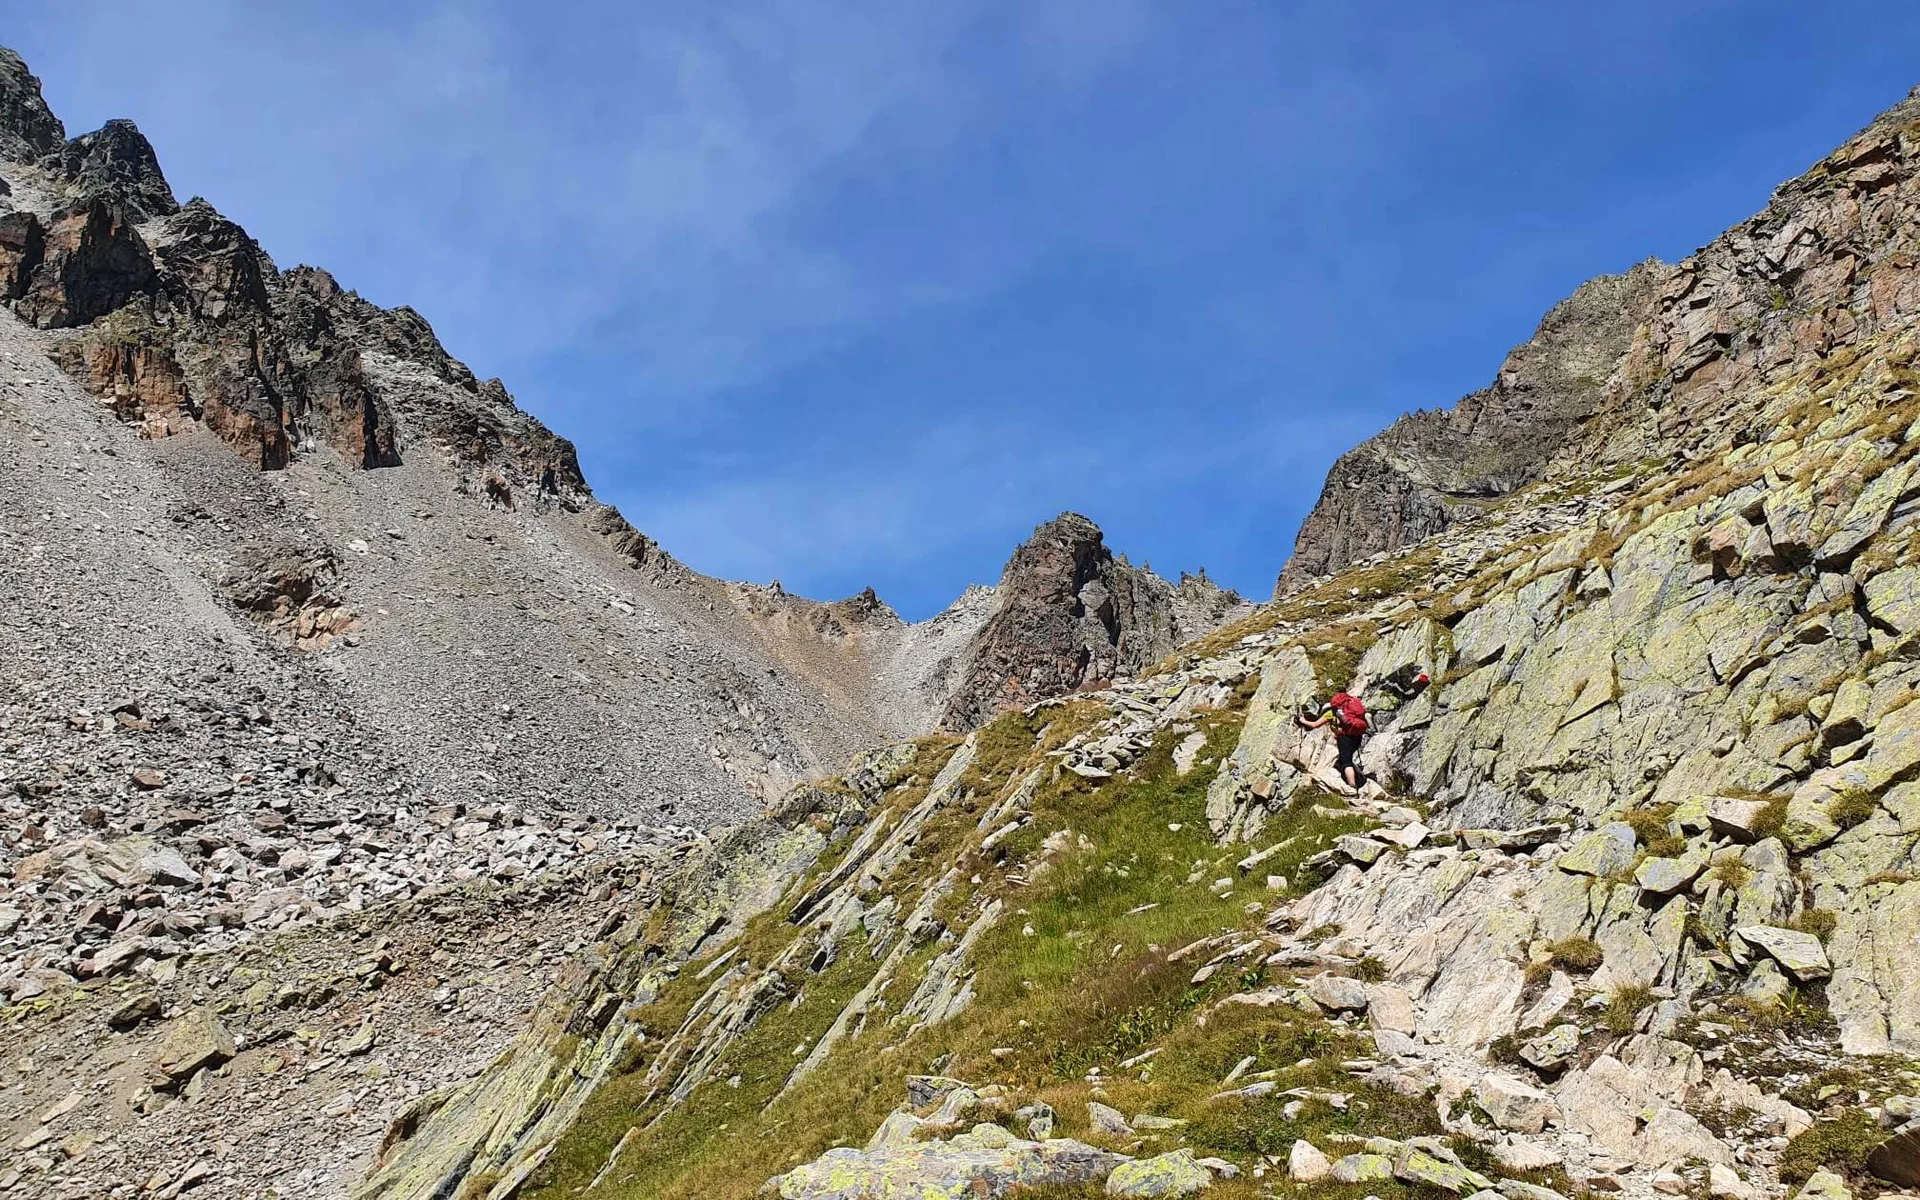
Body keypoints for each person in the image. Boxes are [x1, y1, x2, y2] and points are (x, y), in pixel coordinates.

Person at [1296, 687, 1370, 794]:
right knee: (1346, 758)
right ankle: (1356, 781)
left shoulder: (1331, 713)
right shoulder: (1352, 706)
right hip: (1357, 736)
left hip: (1344, 738)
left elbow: (1314, 725)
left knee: (1346, 762)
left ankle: (1352, 787)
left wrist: (1302, 720)